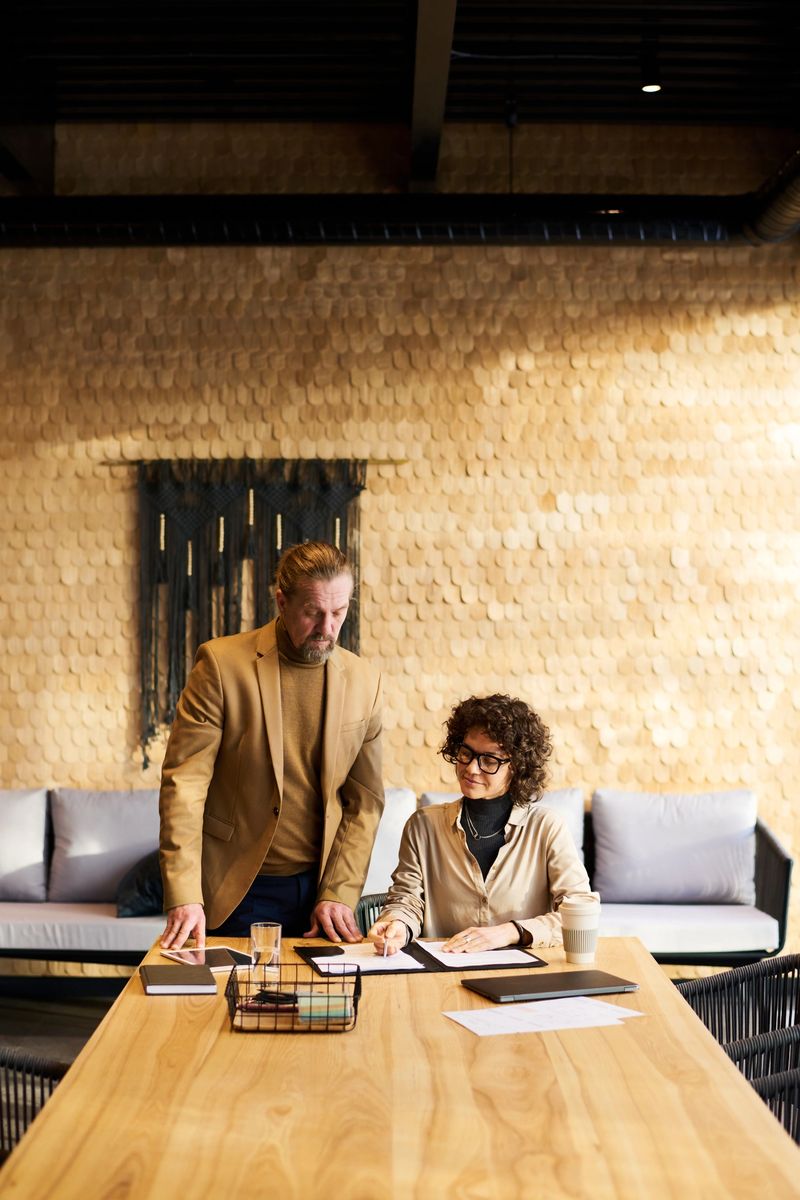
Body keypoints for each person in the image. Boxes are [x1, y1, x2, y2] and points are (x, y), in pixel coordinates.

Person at [158, 540, 384, 950]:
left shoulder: (366, 681)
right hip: (235, 889)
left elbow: (364, 802)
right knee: (228, 1010)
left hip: (321, 896)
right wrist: (184, 892)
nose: (327, 628)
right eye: (313, 612)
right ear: (282, 601)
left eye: (339, 613)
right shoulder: (220, 665)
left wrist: (339, 891)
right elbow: (185, 786)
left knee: (322, 1011)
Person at [369, 694, 596, 954]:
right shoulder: (423, 826)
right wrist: (397, 923)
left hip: (524, 979)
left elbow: (581, 909)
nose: (471, 769)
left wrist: (510, 932)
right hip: (445, 974)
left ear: (518, 767)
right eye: (466, 753)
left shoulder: (546, 827)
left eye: (489, 760)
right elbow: (406, 899)